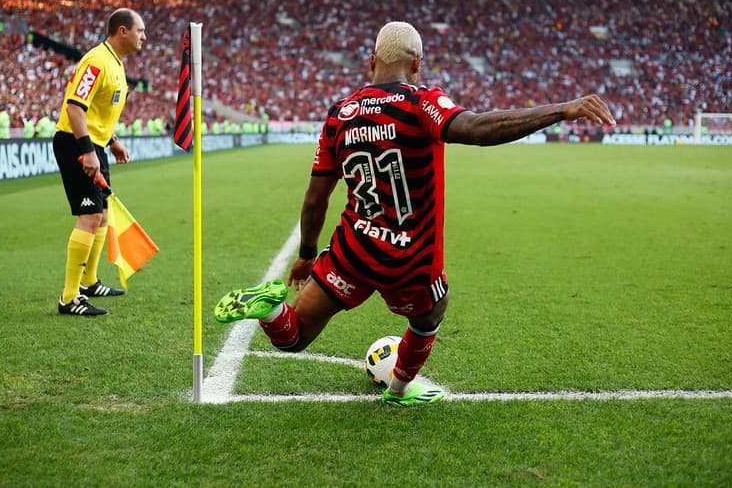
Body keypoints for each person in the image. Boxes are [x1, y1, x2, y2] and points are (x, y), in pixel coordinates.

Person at [213, 21, 615, 406]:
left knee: (294, 337)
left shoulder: (340, 114)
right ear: (417, 64)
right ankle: (400, 390)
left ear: (371, 61)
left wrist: (306, 253)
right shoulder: (421, 102)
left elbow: (316, 198)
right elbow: (475, 129)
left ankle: (270, 308)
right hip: (408, 258)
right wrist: (563, 109)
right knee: (429, 316)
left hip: (352, 251)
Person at [53, 8, 146, 316]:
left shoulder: (117, 64)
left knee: (103, 214)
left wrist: (113, 141)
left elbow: (97, 111)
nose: (143, 36)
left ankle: (89, 281)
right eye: (140, 31)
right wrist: (88, 151)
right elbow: (75, 108)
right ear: (122, 31)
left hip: (96, 145)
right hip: (76, 144)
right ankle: (69, 297)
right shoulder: (96, 61)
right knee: (90, 216)